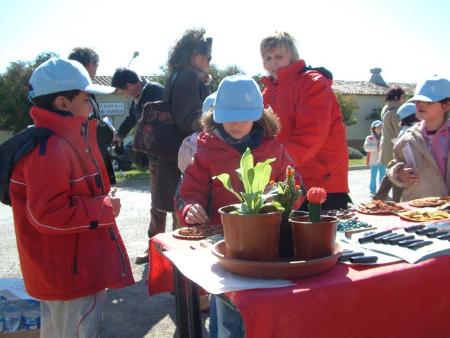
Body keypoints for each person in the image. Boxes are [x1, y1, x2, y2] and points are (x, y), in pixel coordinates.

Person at [9, 58, 134, 337]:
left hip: (65, 272)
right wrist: (105, 207)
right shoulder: (52, 148)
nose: (91, 105)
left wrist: (101, 198)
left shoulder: (62, 139)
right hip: (71, 276)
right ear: (63, 103)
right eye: (87, 98)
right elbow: (48, 214)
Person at [175, 75, 300, 338]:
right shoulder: (206, 151)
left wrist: (279, 194)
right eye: (229, 116)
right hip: (225, 245)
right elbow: (187, 193)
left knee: (264, 308)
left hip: (268, 242)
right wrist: (190, 209)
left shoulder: (274, 149)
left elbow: (295, 186)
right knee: (227, 311)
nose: (235, 123)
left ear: (258, 116)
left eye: (243, 116)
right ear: (216, 116)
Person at [259, 31, 350, 210]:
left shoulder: (313, 83)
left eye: (278, 56)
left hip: (323, 183)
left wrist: (274, 167)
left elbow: (310, 136)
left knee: (324, 237)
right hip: (288, 183)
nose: (272, 63)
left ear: (292, 56)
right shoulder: (266, 93)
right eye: (267, 58)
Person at [111, 68, 164, 264]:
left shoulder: (154, 91)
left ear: (130, 86)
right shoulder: (139, 97)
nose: (124, 95)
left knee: (175, 203)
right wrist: (120, 134)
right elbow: (133, 117)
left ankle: (176, 247)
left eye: (122, 91)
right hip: (155, 157)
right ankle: (154, 248)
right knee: (157, 204)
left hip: (170, 156)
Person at [387, 76, 450, 201]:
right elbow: (393, 166)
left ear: (447, 105)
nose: (420, 105)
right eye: (417, 101)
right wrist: (398, 173)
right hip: (417, 211)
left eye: (429, 102)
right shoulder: (408, 139)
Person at [68, 47, 117, 185]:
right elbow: (86, 126)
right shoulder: (74, 93)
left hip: (93, 161)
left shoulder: (86, 91)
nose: (96, 70)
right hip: (86, 167)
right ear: (88, 65)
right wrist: (109, 132)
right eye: (96, 65)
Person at [373, 86, 406, 201]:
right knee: (397, 174)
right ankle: (397, 202)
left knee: (391, 173)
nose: (404, 100)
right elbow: (400, 133)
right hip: (394, 147)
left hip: (387, 146)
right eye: (403, 97)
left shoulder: (386, 109)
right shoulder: (395, 113)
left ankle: (379, 196)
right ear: (397, 97)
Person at [364, 120, 385, 196]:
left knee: (383, 176)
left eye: (381, 127)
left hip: (383, 160)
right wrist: (376, 147)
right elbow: (366, 148)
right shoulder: (370, 138)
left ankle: (382, 191)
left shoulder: (385, 137)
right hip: (374, 160)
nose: (380, 129)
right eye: (378, 127)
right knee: (373, 176)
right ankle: (372, 191)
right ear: (373, 129)